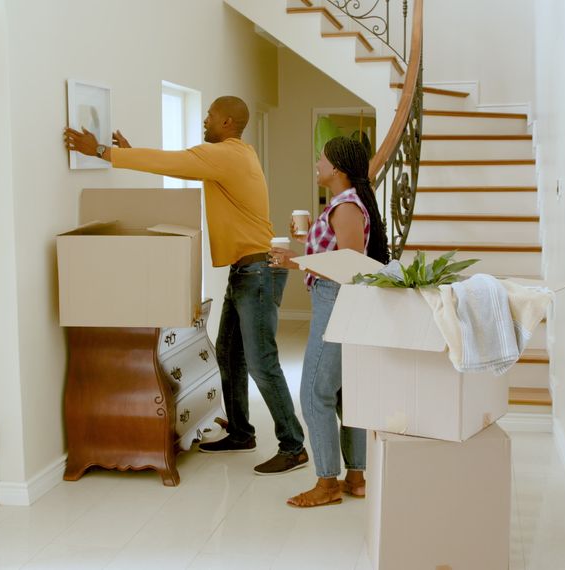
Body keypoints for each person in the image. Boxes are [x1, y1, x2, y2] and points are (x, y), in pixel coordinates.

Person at [62, 96, 308, 476]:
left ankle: (293, 446)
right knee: (228, 354)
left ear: (227, 122)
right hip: (247, 271)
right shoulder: (234, 154)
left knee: (262, 363)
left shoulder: (226, 155)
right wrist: (128, 154)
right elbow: (177, 163)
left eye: (209, 117)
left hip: (257, 272)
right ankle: (242, 433)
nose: (204, 122)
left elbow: (176, 162)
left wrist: (100, 150)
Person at [269, 136, 390, 507]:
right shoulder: (343, 205)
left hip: (336, 302)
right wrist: (307, 241)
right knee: (343, 394)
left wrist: (295, 261)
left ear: (337, 169)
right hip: (339, 301)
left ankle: (327, 483)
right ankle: (355, 477)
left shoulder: (346, 207)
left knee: (313, 394)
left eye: (321, 159)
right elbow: (339, 253)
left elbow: (348, 267)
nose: (317, 164)